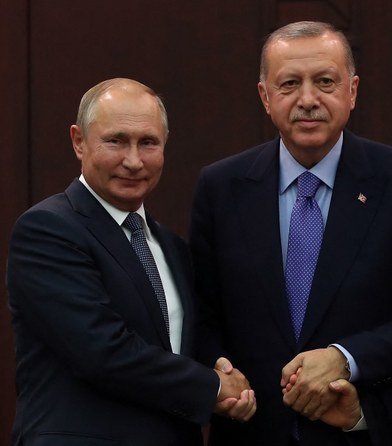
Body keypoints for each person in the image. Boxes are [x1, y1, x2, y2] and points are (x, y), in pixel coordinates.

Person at [190, 21, 392, 446]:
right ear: (265, 96)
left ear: (352, 91)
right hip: (253, 433)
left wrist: (345, 358)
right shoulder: (221, 187)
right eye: (290, 84)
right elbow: (203, 312)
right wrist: (219, 368)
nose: (308, 100)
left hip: (358, 428)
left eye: (325, 82)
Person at [6, 78, 256, 446]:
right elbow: (102, 351)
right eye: (116, 141)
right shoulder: (48, 230)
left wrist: (218, 365)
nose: (134, 161)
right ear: (79, 141)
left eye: (148, 143)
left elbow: (178, 341)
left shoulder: (171, 246)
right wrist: (213, 387)